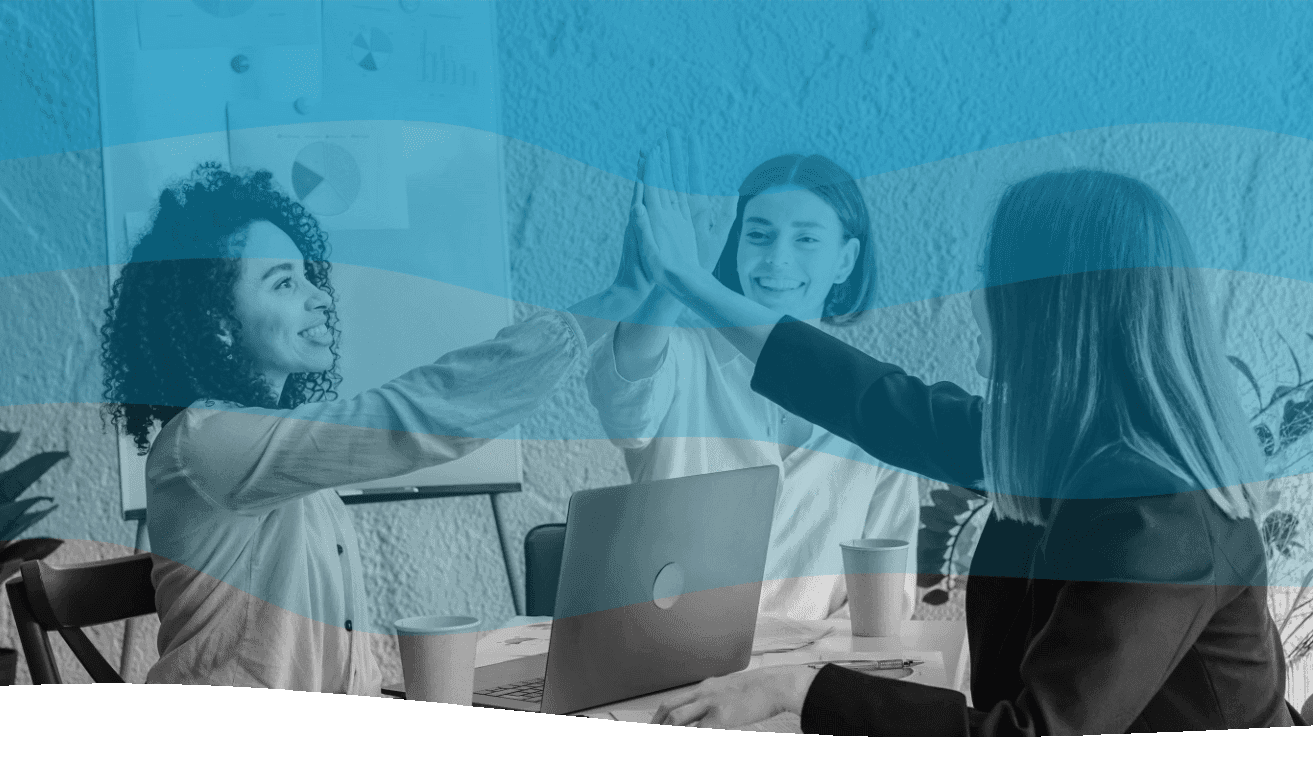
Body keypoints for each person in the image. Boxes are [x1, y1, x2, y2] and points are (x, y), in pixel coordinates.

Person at [633, 163, 1306, 733]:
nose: (979, 299)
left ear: (1048, 310)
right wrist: (691, 283)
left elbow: (1033, 739)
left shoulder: (1157, 513)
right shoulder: (1065, 448)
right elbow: (873, 400)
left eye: (994, 279)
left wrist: (802, 689)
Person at [99, 163, 650, 693]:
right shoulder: (209, 440)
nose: (319, 295)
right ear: (218, 325)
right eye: (284, 283)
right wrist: (616, 299)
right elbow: (413, 416)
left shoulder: (275, 452)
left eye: (307, 274)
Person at [587, 133, 920, 620]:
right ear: (734, 243)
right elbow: (622, 393)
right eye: (758, 234)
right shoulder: (681, 355)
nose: (777, 259)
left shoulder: (879, 401)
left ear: (845, 260)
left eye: (806, 238)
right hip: (672, 666)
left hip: (808, 680)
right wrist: (678, 276)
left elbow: (886, 602)